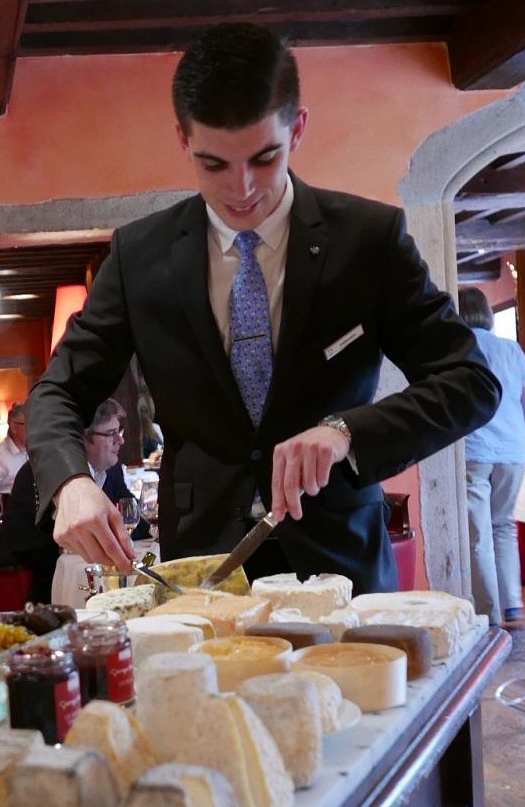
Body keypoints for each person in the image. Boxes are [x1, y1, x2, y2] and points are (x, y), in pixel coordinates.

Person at [25, 23, 500, 595]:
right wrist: (70, 482)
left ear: (297, 128)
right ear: (182, 139)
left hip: (340, 560)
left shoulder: (368, 240)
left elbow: (470, 379)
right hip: (204, 569)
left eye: (264, 157)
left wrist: (346, 432)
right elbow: (58, 391)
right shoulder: (138, 257)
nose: (242, 188)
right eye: (213, 164)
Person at [0, 399, 141, 602]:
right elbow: (59, 539)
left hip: (83, 571)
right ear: (82, 439)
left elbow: (131, 517)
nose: (120, 440)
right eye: (110, 433)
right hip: (35, 584)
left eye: (119, 431)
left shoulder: (111, 468)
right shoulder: (42, 473)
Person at [457, 288, 525, 625]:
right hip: (512, 450)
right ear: (488, 314)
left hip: (474, 449)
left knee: (478, 534)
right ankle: (513, 604)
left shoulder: (461, 348)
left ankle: (489, 612)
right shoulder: (512, 349)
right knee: (504, 526)